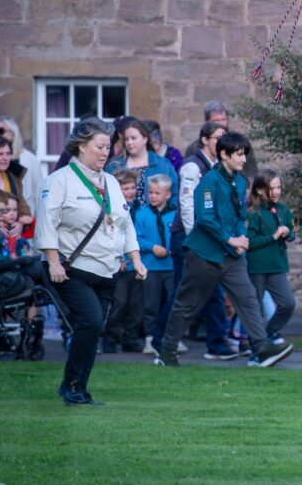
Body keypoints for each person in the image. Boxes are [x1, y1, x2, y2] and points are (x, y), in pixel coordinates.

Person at [156, 132, 292, 368]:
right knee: (187, 304)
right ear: (224, 154)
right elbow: (205, 219)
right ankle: (166, 351)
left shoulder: (240, 182)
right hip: (204, 255)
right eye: (239, 155)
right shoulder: (209, 181)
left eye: (244, 154)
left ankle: (261, 350)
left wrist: (241, 236)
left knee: (248, 299)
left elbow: (240, 215)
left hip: (232, 256)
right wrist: (231, 240)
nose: (243, 159)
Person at [35, 117, 148, 405]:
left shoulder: (110, 181)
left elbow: (124, 223)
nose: (105, 152)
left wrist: (135, 258)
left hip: (108, 270)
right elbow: (46, 224)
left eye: (108, 147)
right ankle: (72, 385)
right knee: (91, 323)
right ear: (81, 146)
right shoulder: (58, 180)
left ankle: (75, 387)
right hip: (73, 270)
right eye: (99, 147)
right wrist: (53, 261)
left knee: (92, 329)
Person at [156, 121, 233, 360]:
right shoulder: (192, 167)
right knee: (183, 292)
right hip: (189, 238)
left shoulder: (218, 166)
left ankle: (216, 344)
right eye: (218, 136)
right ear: (205, 140)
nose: (222, 140)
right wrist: (194, 241)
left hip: (209, 238)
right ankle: (161, 340)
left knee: (214, 291)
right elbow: (187, 206)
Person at [246, 169, 297, 347]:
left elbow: (293, 233)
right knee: (254, 308)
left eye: (279, 187)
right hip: (257, 267)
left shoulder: (283, 210)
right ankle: (255, 347)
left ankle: (268, 333)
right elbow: (249, 242)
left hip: (277, 266)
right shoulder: (253, 212)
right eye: (272, 188)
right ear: (260, 190)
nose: (276, 191)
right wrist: (273, 236)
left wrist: (288, 234)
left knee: (288, 304)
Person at [101, 169, 144, 354]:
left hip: (136, 264)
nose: (131, 192)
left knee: (136, 305)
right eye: (126, 188)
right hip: (118, 265)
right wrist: (119, 258)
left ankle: (131, 338)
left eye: (133, 187)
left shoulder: (140, 210)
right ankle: (110, 337)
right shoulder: (111, 210)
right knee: (119, 303)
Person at [134, 174, 177, 355]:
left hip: (172, 267)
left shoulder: (176, 214)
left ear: (167, 194)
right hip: (151, 266)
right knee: (150, 304)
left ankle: (172, 337)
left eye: (157, 193)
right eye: (150, 192)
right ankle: (150, 338)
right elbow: (136, 238)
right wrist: (152, 247)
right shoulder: (141, 214)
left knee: (173, 303)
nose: (152, 196)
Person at [104, 118, 178, 208]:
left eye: (133, 138)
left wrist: (166, 216)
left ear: (145, 139)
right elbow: (105, 195)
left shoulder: (163, 164)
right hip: (123, 218)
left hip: (154, 219)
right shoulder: (114, 165)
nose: (129, 142)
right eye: (126, 139)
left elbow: (174, 194)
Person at [184, 101, 258, 182]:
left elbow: (252, 173)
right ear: (207, 122)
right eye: (216, 120)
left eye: (223, 119)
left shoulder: (240, 143)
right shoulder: (194, 148)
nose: (221, 124)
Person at [0, 116, 44, 215]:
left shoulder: (29, 159)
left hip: (25, 218)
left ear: (13, 134)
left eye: (1, 131)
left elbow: (39, 193)